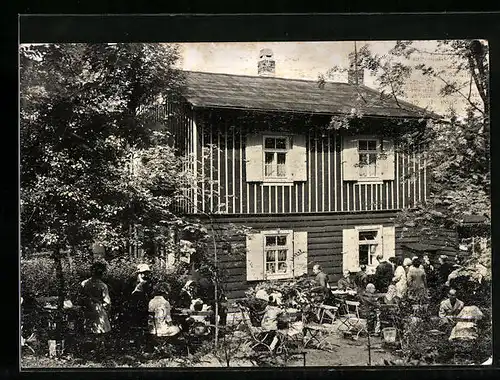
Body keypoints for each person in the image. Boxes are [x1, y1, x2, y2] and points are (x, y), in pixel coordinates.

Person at [80, 262, 111, 357]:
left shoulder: (84, 283)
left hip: (87, 308)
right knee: (100, 332)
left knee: (90, 330)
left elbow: (80, 297)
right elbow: (107, 301)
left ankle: (90, 351)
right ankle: (99, 352)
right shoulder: (102, 285)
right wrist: (107, 310)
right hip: (98, 309)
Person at [126, 263, 154, 334]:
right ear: (140, 273)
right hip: (135, 304)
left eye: (147, 273)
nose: (146, 275)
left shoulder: (148, 282)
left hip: (144, 304)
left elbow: (150, 293)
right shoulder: (133, 282)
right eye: (144, 273)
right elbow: (129, 293)